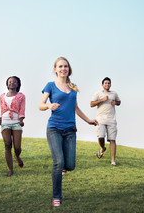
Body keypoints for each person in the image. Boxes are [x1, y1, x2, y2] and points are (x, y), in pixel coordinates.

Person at [39, 57, 98, 207]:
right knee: (58, 162)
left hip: (70, 130)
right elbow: (41, 105)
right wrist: (49, 106)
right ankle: (56, 196)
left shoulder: (73, 87)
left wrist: (89, 120)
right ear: (55, 69)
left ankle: (64, 166)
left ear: (68, 69)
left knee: (70, 165)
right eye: (60, 66)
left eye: (65, 66)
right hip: (54, 128)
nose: (63, 69)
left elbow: (76, 108)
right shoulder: (50, 85)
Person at [0, 76, 25, 177]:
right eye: (10, 81)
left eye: (14, 82)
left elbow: (22, 109)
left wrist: (21, 120)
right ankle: (11, 170)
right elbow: (2, 110)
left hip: (16, 122)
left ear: (18, 84)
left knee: (17, 147)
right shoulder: (2, 96)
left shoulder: (21, 96)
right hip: (5, 122)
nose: (11, 83)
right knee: (7, 145)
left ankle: (17, 156)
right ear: (7, 84)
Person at [90, 77, 121, 166]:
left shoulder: (114, 93)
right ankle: (102, 148)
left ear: (110, 84)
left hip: (112, 119)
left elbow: (119, 102)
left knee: (112, 139)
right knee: (101, 136)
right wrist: (101, 100)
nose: (107, 84)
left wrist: (116, 103)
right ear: (102, 85)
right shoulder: (98, 93)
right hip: (100, 119)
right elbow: (91, 104)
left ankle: (113, 161)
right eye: (105, 83)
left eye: (109, 83)